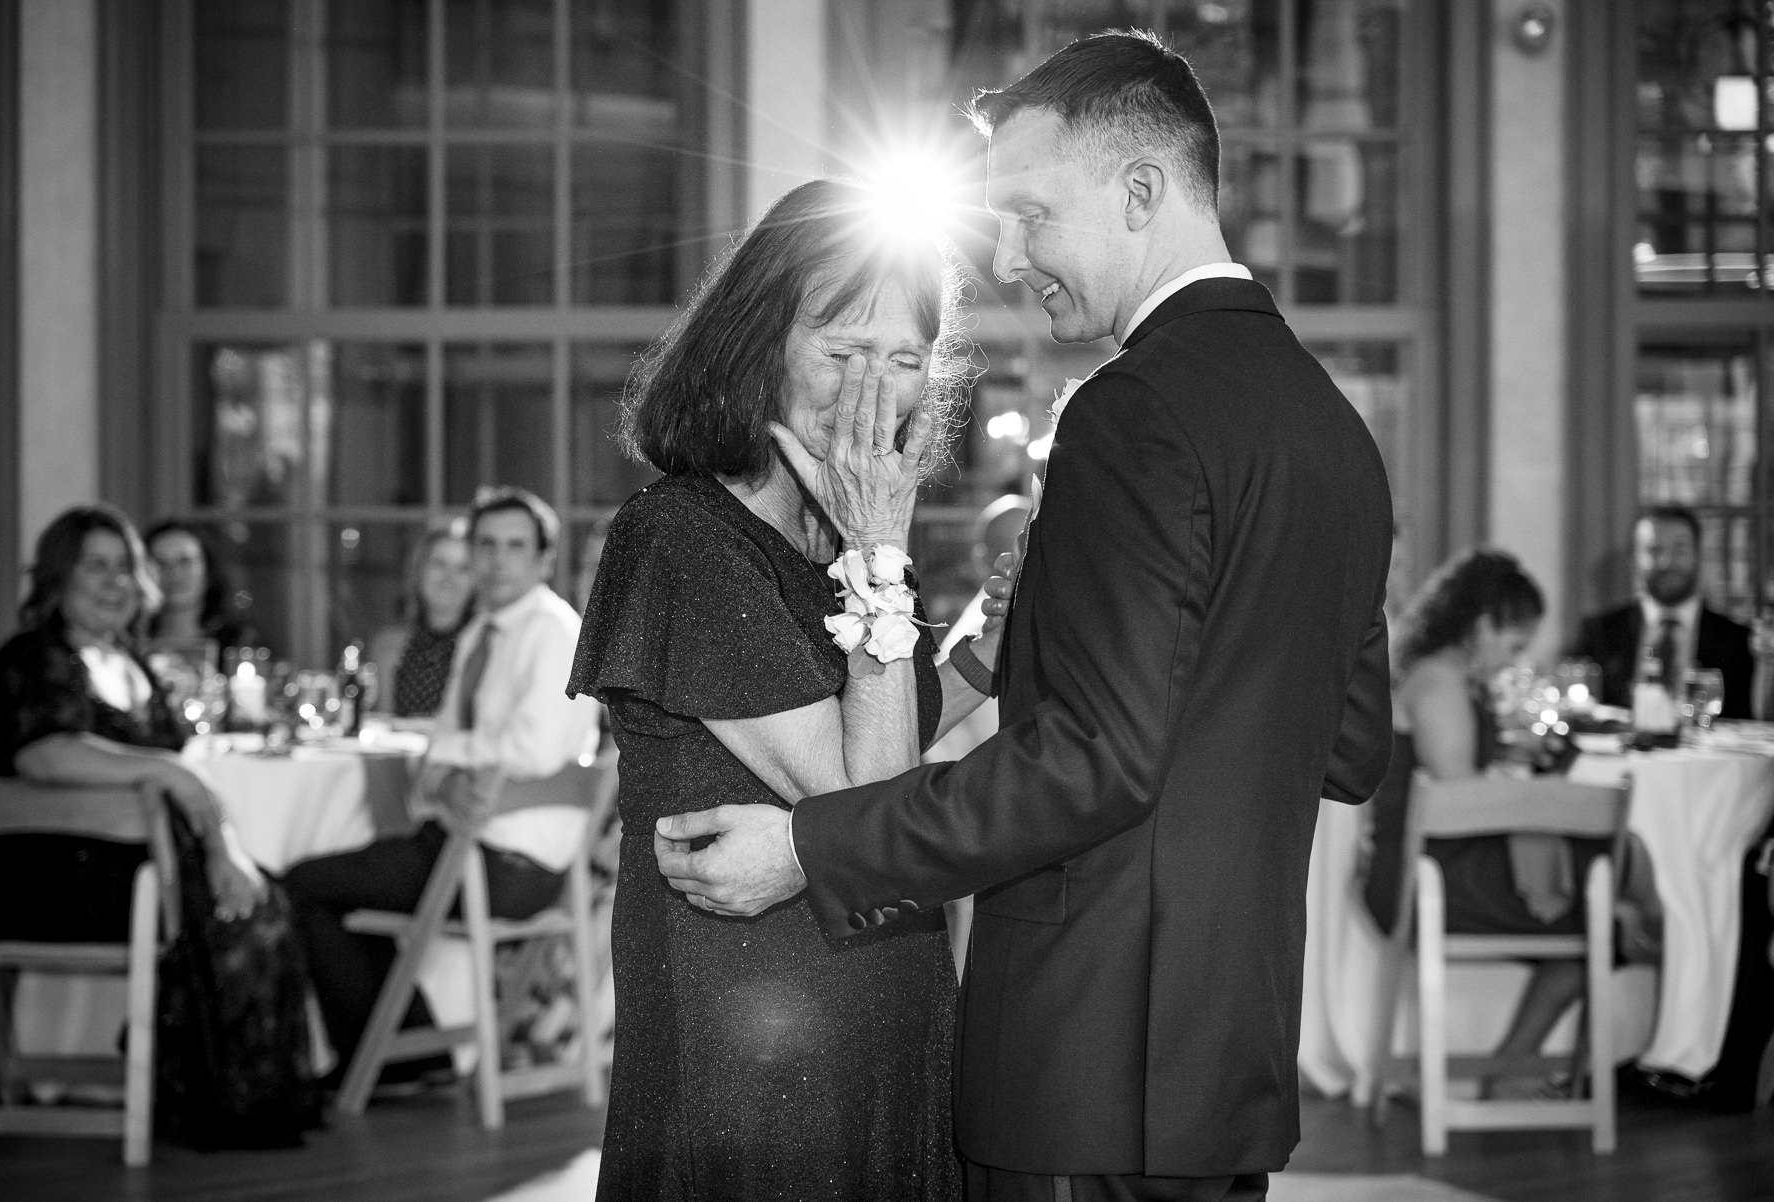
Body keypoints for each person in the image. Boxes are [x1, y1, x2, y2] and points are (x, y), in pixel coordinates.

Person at [654, 32, 1394, 1202]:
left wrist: (811, 844)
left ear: (1142, 191)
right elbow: (1350, 746)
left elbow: (1093, 762)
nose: (1006, 256)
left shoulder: (1131, 412)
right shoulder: (1333, 430)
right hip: (1225, 1054)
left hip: (1079, 1055)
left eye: (1031, 213)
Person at [564, 177, 992, 1199]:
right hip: (749, 1050)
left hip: (893, 1004)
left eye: (901, 360)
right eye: (841, 350)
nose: (872, 392)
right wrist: (883, 552)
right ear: (760, 344)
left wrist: (993, 642)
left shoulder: (847, 534)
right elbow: (869, 799)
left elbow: (901, 712)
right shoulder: (679, 535)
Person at [283, 486, 601, 1088]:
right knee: (340, 886)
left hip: (511, 861)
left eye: (515, 547)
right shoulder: (484, 630)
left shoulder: (553, 632)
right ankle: (410, 1056)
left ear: (543, 560)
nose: (498, 560)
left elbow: (528, 750)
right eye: (486, 545)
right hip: (472, 840)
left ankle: (381, 1064)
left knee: (306, 887)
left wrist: (446, 758)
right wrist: (447, 763)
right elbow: (447, 750)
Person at [1358, 549, 1658, 1094]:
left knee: (1606, 920)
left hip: (1444, 864)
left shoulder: (1452, 679)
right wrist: (1542, 796)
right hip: (1423, 875)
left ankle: (1512, 1065)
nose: (1512, 662)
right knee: (1620, 871)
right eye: (1513, 645)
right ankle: (1657, 964)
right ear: (1480, 625)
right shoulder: (1439, 684)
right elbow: (1462, 802)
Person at [0, 505, 264, 938]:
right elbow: (46, 756)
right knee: (255, 919)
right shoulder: (33, 658)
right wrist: (168, 770)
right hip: (57, 879)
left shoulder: (133, 663)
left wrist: (223, 849)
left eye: (125, 566)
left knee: (270, 898)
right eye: (96, 566)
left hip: (149, 868)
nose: (115, 582)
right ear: (59, 576)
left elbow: (184, 768)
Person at [1568, 506, 1758, 718]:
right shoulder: (1599, 633)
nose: (1667, 562)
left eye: (1680, 549)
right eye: (1654, 550)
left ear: (1698, 556)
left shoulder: (1739, 641)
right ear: (1635, 559)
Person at [367, 517, 475, 720]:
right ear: (419, 570)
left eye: (463, 568)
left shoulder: (487, 644)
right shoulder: (388, 643)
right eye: (439, 564)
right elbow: (380, 724)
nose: (449, 578)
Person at [143, 518, 260, 657]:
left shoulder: (238, 641)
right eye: (160, 563)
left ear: (208, 569)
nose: (174, 573)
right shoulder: (129, 641)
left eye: (185, 561)